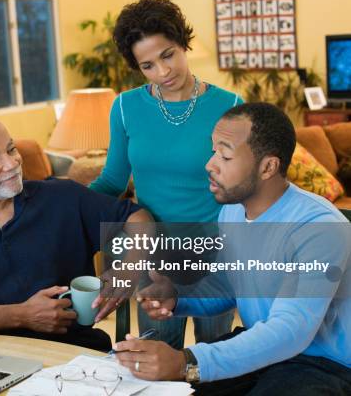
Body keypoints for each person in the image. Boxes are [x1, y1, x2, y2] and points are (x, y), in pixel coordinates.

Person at [113, 103, 351, 395]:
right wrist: (177, 297)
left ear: (268, 167)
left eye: (225, 155)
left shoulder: (319, 228)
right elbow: (228, 285)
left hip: (324, 363)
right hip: (260, 344)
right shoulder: (234, 212)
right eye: (214, 151)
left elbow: (292, 329)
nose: (209, 165)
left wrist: (185, 361)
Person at [0, 112, 152, 352]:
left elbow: (139, 218)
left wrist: (127, 270)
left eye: (11, 149)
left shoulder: (62, 197)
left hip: (73, 356)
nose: (11, 163)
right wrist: (22, 315)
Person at [90, 0, 241, 350]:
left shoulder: (230, 106)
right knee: (158, 353)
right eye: (148, 65)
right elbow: (112, 181)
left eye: (168, 54)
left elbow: (242, 187)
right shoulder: (125, 107)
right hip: (153, 252)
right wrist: (66, 206)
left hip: (214, 251)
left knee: (215, 358)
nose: (163, 71)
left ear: (183, 42)